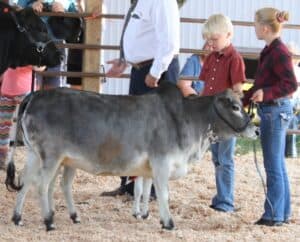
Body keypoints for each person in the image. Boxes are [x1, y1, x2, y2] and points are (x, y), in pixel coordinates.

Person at [102, 0, 184, 197]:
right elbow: (142, 37)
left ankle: (153, 189)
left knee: (157, 131)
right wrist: (125, 61)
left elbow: (169, 41)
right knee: (136, 130)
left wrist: (156, 72)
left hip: (156, 72)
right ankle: (132, 186)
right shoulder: (140, 2)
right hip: (141, 70)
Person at [243, 8, 297, 226]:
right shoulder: (271, 50)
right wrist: (243, 99)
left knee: (273, 164)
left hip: (275, 110)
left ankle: (273, 215)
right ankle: (282, 213)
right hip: (272, 109)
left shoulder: (279, 52)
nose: (253, 28)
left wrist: (267, 93)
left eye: (255, 24)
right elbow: (261, 83)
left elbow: (291, 84)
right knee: (277, 164)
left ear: (265, 28)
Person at [199, 14, 246, 213]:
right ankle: (221, 197)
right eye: (208, 39)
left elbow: (237, 90)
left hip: (225, 119)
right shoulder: (211, 58)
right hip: (211, 116)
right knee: (217, 157)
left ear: (228, 35)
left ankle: (226, 201)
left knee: (225, 159)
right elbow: (205, 85)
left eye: (215, 39)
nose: (211, 43)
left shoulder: (235, 59)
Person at [16, 0, 78, 89]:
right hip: (34, 45)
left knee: (54, 91)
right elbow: (16, 14)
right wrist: (30, 8)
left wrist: (63, 12)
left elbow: (77, 23)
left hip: (57, 46)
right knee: (33, 91)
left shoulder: (68, 2)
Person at [0, 65, 45, 170]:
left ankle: (38, 160)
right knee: (3, 127)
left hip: (24, 91)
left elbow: (39, 66)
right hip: (8, 90)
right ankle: (2, 159)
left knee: (31, 127)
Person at [285, 42, 300, 158]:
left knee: (291, 118)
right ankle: (289, 151)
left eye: (292, 55)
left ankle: (290, 150)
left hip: (294, 102)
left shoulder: (297, 71)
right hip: (284, 101)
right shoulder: (281, 69)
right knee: (291, 119)